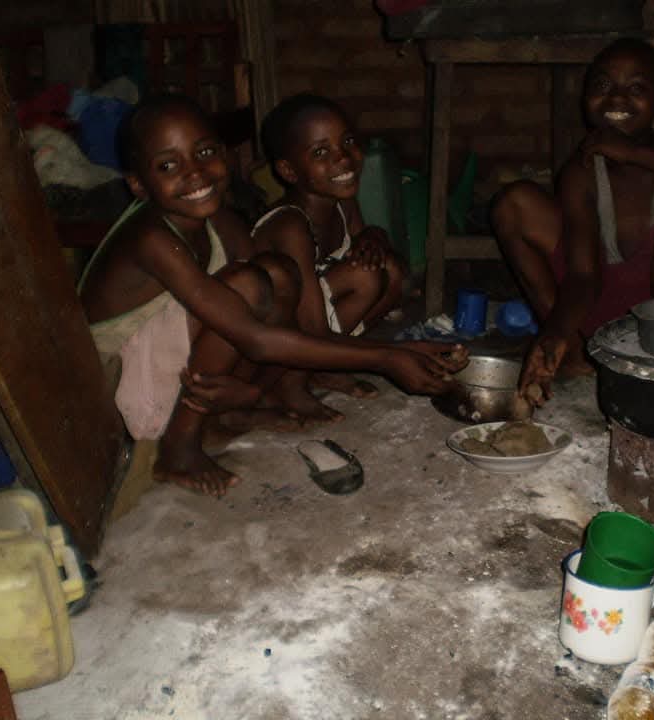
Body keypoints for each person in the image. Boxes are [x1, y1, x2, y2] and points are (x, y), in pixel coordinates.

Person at [78, 94, 465, 497]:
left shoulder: (222, 221)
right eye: (168, 165)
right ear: (138, 185)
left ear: (226, 155)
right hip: (119, 379)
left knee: (278, 274)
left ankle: (229, 415)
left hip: (179, 363)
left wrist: (405, 351)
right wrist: (388, 357)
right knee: (246, 286)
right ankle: (178, 449)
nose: (195, 172)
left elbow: (277, 311)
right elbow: (255, 338)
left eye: (205, 152)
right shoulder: (151, 238)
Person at [490, 38, 654, 404]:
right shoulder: (582, 172)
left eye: (636, 89)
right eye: (603, 85)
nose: (617, 98)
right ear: (585, 98)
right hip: (606, 315)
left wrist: (633, 153)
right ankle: (576, 355)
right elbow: (583, 274)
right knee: (514, 203)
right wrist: (555, 332)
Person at [252, 94, 405, 424]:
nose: (344, 158)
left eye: (347, 141)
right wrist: (394, 356)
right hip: (269, 341)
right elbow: (313, 328)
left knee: (388, 269)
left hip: (313, 318)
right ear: (288, 171)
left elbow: (364, 249)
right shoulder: (290, 225)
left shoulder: (341, 200)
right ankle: (290, 386)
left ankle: (323, 370)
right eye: (321, 152)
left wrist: (373, 236)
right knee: (365, 277)